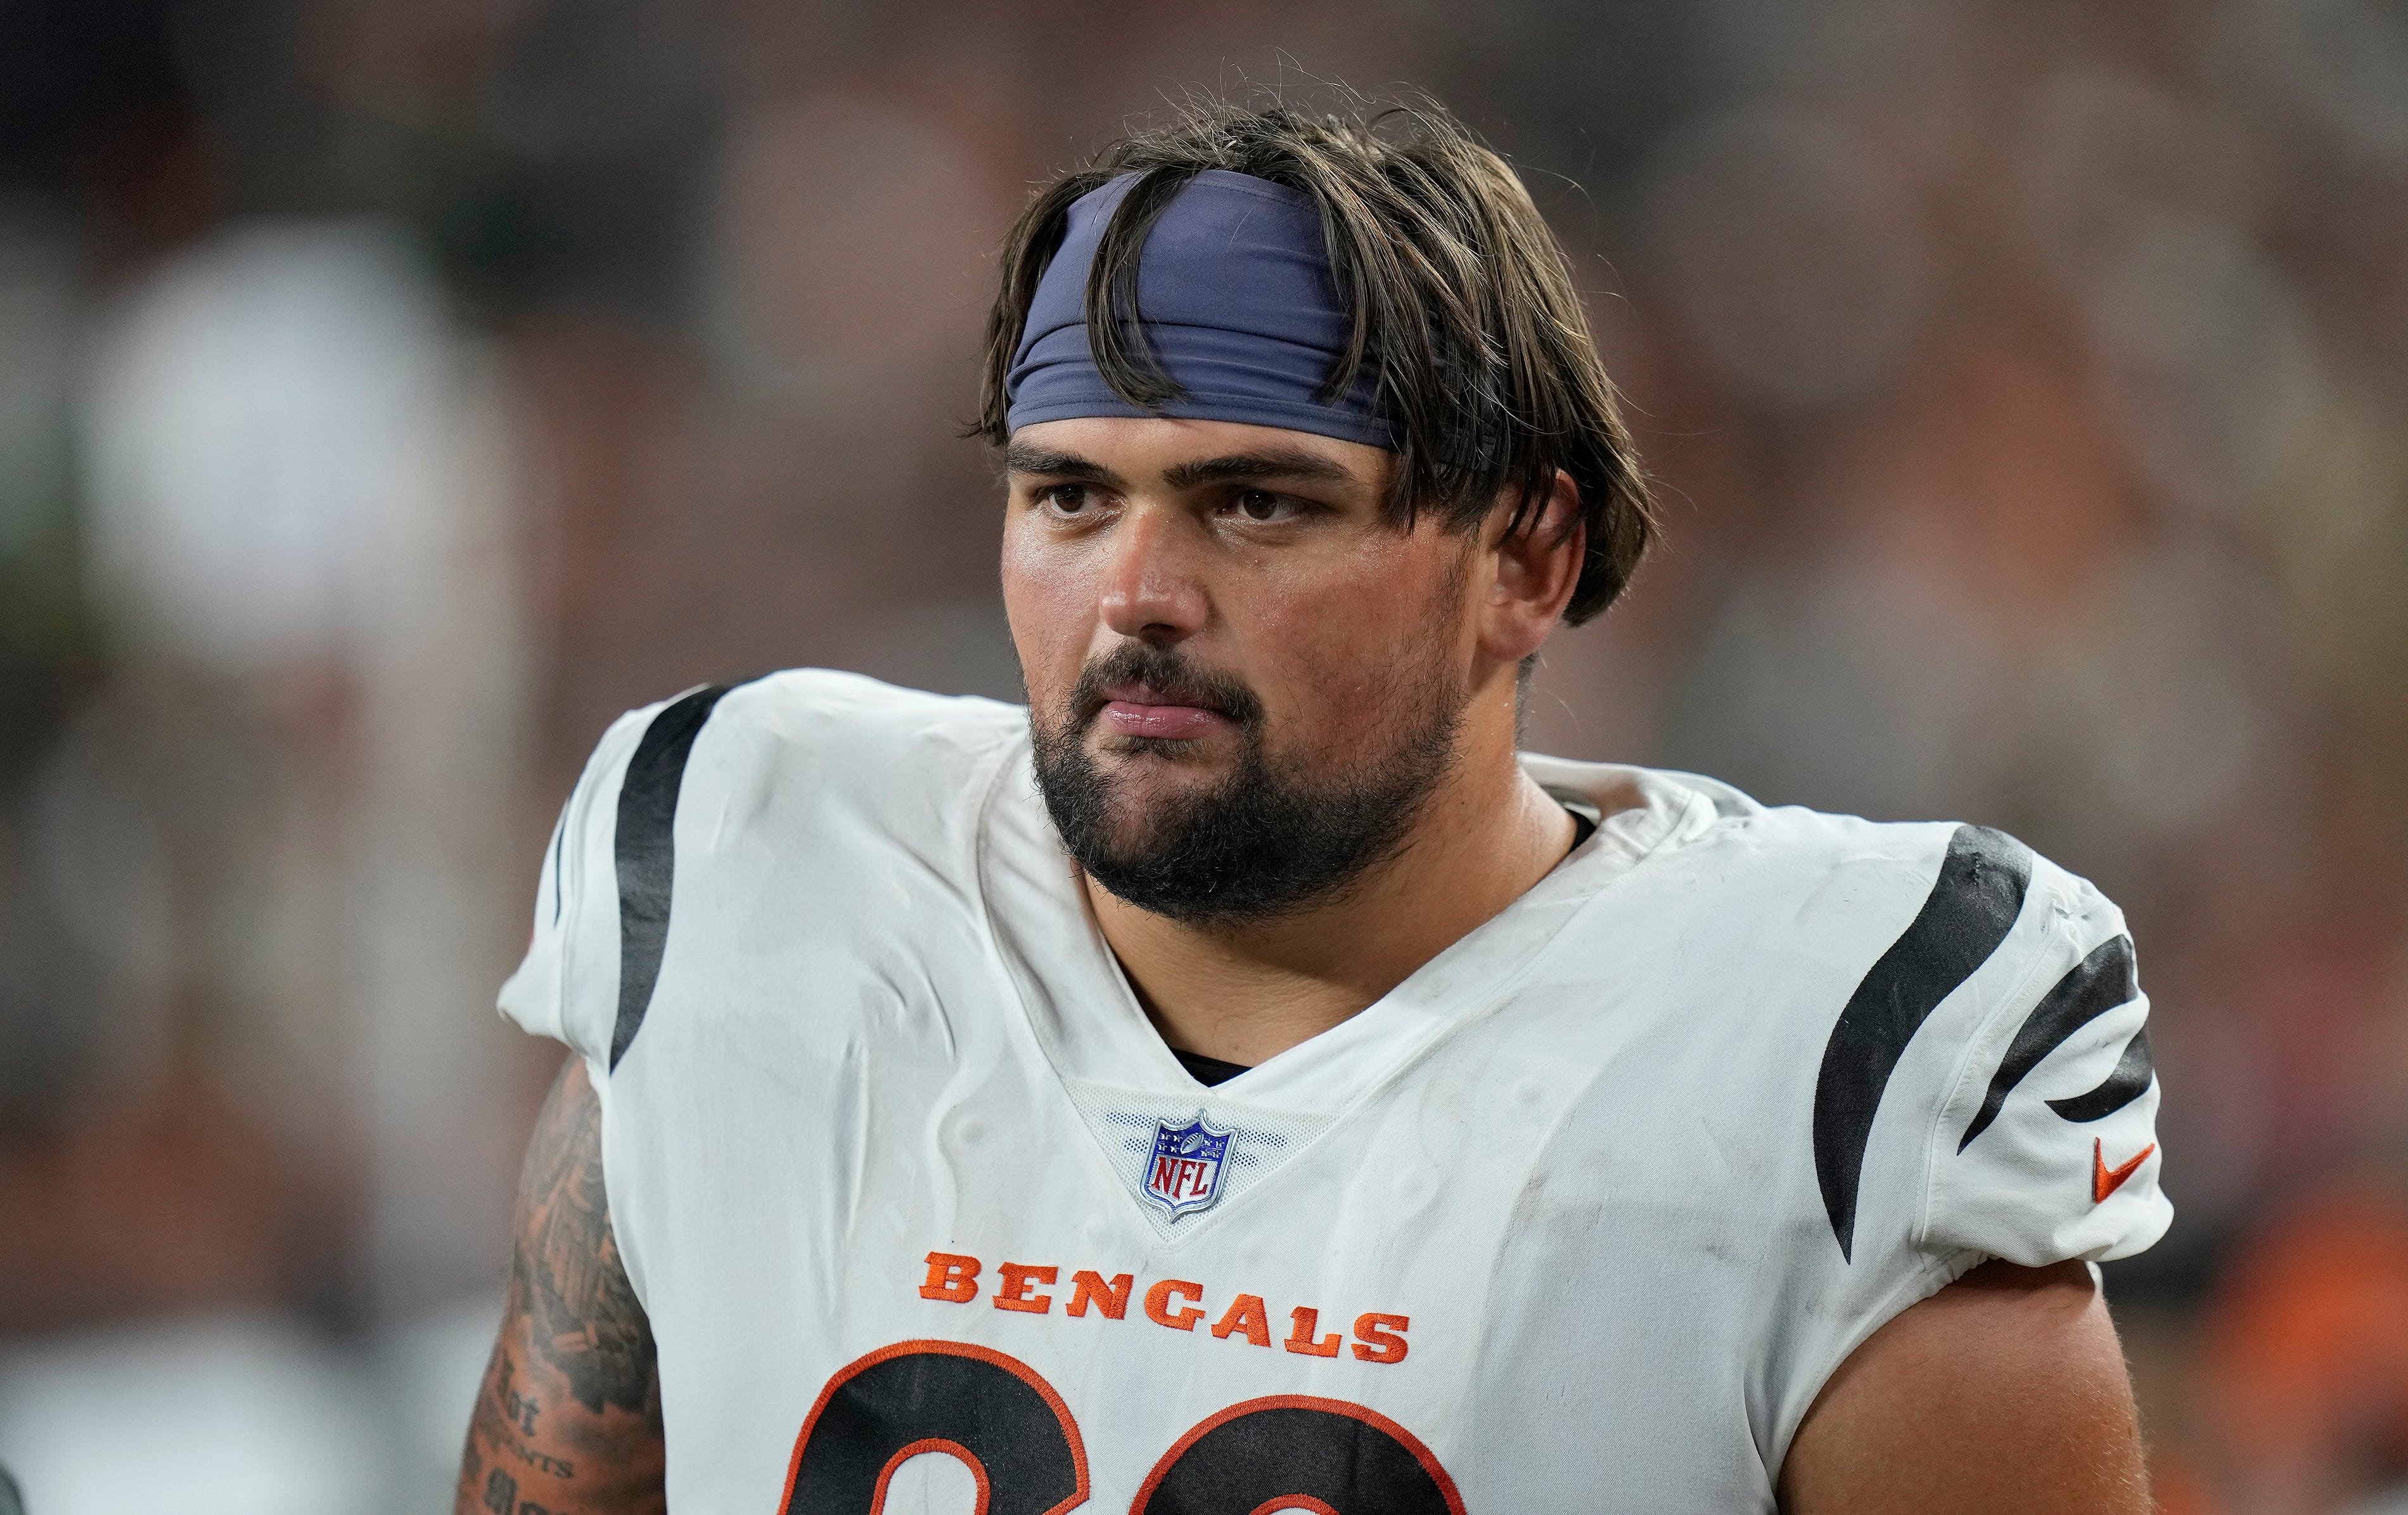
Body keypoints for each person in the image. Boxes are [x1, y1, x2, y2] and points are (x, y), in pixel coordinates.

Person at [456, 90, 2170, 1515]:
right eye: (1067, 496)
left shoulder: (1841, 1064)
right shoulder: (757, 874)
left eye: (1258, 505)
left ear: (1529, 554)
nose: (1134, 594)